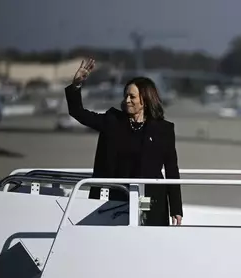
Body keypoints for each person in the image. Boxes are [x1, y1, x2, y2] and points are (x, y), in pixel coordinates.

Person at [65, 58, 183, 226]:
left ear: (145, 100)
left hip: (152, 203)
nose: (127, 100)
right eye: (126, 95)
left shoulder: (164, 129)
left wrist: (176, 208)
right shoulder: (113, 120)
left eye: (132, 96)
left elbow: (172, 170)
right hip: (114, 202)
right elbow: (78, 113)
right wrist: (76, 85)